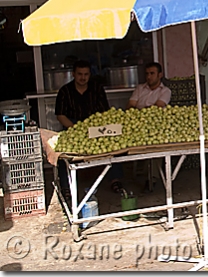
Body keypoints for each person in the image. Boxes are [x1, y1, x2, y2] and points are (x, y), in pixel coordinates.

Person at [54, 60, 123, 197]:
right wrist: (75, 129)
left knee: (114, 146)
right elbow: (60, 115)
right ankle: (66, 187)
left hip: (95, 125)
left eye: (86, 74)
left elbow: (105, 113)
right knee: (63, 154)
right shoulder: (65, 91)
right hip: (72, 126)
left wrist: (96, 128)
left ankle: (115, 180)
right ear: (73, 74)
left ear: (90, 74)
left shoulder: (97, 88)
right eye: (79, 74)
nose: (83, 77)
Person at [126, 62, 172, 192]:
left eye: (152, 73)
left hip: (156, 126)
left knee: (155, 146)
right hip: (136, 125)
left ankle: (151, 178)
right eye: (147, 74)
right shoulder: (140, 88)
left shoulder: (165, 91)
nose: (149, 77)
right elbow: (130, 106)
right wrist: (141, 112)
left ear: (160, 75)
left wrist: (139, 111)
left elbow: (157, 108)